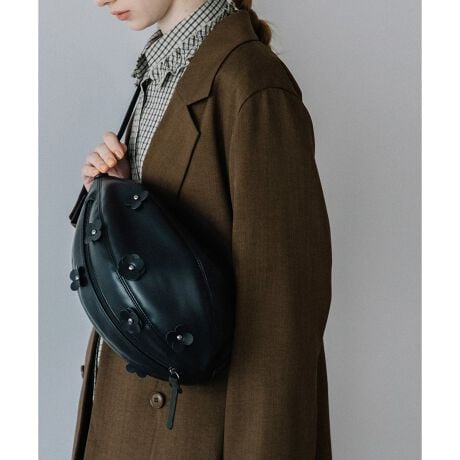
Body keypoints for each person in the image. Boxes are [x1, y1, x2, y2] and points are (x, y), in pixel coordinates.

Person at [74, 0, 333, 459]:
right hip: (130, 419)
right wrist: (119, 197)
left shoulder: (253, 85)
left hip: (192, 434)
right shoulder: (163, 71)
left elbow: (282, 321)